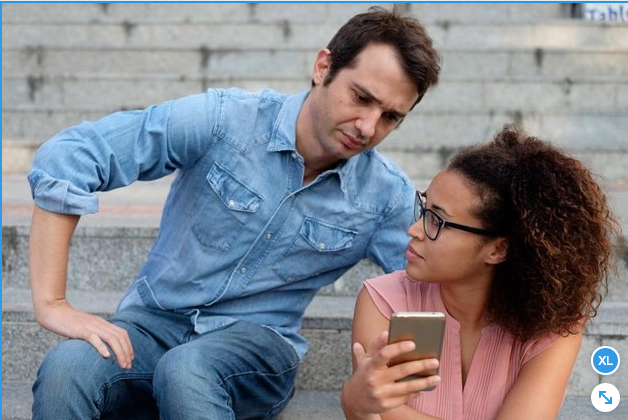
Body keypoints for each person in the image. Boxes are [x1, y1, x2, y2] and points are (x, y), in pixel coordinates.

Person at [27, 6, 441, 420]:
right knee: (67, 368)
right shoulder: (225, 120)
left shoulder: (385, 195)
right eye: (361, 97)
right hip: (152, 325)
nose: (368, 127)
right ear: (323, 66)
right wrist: (53, 303)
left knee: (187, 369)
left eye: (390, 117)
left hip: (257, 349)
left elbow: (437, 279)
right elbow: (71, 156)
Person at [341, 125, 621, 420]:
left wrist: (361, 406)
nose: (414, 230)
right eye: (424, 210)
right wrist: (355, 402)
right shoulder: (383, 299)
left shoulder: (553, 326)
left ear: (498, 250)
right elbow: (372, 412)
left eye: (437, 221)